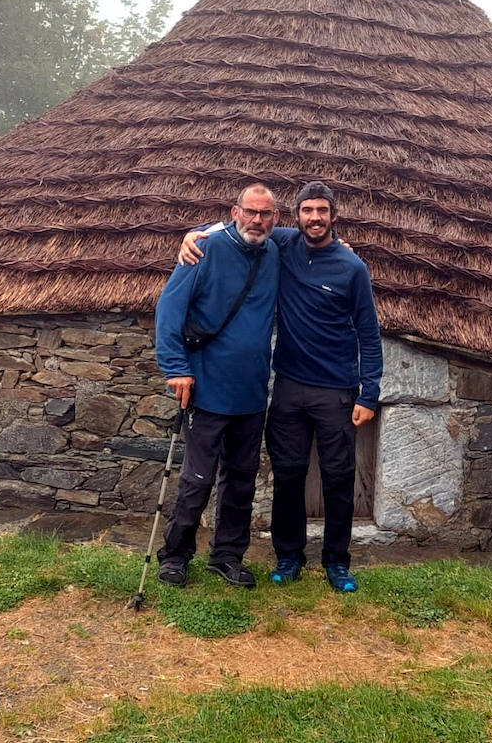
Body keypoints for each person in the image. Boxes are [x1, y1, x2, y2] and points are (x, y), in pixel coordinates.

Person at [179, 181, 382, 593]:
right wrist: (195, 233)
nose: (315, 218)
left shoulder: (352, 268)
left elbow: (369, 332)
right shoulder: (284, 245)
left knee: (338, 477)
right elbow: (241, 225)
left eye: (322, 211)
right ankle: (288, 556)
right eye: (307, 211)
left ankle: (337, 562)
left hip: (337, 390)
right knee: (288, 475)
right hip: (289, 385)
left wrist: (369, 392)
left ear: (333, 216)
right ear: (296, 217)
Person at [154, 183, 281, 589]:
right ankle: (175, 556)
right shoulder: (204, 247)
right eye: (250, 212)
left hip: (251, 393)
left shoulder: (276, 250)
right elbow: (169, 308)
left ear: (275, 218)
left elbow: (315, 235)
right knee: (198, 479)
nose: (257, 220)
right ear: (234, 211)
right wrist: (175, 368)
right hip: (207, 387)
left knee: (241, 480)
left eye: (265, 214)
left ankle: (226, 556)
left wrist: (343, 245)